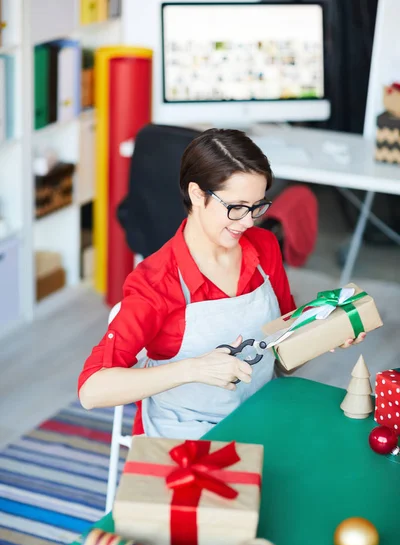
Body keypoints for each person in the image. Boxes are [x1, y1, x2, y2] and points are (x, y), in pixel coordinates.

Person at [78, 128, 364, 439]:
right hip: (187, 435)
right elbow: (91, 390)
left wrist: (325, 334)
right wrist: (192, 369)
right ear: (197, 194)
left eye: (257, 206)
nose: (248, 222)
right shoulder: (157, 282)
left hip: (260, 416)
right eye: (236, 207)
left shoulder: (265, 247)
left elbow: (281, 354)